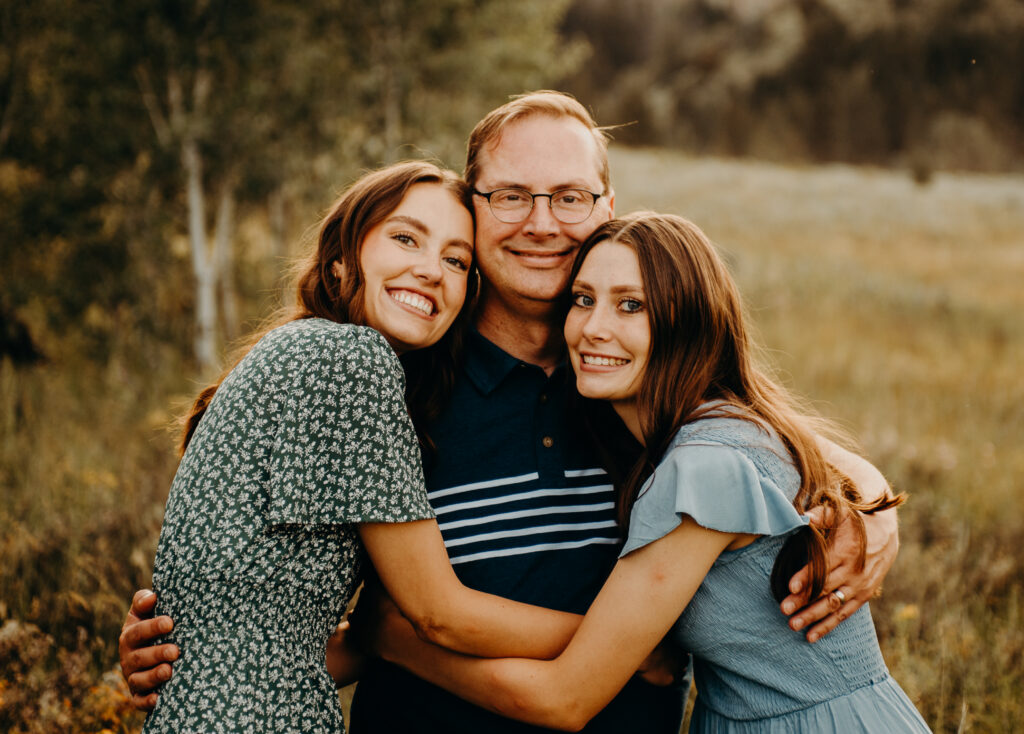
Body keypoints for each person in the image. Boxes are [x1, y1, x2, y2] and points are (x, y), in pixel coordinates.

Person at [120, 92, 901, 733]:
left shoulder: (630, 376)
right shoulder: (399, 381)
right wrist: (192, 647)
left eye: (569, 197)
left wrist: (869, 501)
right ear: (475, 206)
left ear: (608, 205)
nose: (541, 222)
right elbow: (332, 614)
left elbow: (758, 438)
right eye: (511, 197)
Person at [367, 212, 930, 732]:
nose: (592, 328)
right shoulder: (707, 431)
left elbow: (564, 700)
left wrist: (397, 642)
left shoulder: (702, 467)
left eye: (631, 305)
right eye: (583, 299)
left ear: (688, 322)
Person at [135, 161, 596, 733]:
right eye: (406, 238)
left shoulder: (307, 355)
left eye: (456, 260)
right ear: (342, 257)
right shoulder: (352, 361)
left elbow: (282, 650)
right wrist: (622, 642)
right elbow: (438, 613)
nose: (431, 271)